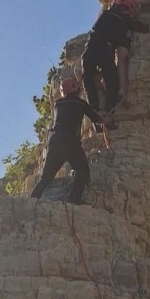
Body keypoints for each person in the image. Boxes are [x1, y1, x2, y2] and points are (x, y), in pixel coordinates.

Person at [30, 77, 105, 205]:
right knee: (82, 171)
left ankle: (31, 201)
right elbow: (96, 118)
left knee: (46, 177)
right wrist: (104, 123)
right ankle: (74, 198)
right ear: (76, 89)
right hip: (70, 142)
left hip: (55, 141)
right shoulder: (80, 103)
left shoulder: (58, 104)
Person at [81, 0, 148, 114]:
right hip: (105, 48)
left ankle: (95, 109)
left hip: (90, 46)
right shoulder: (125, 20)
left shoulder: (105, 14)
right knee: (111, 79)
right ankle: (109, 110)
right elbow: (145, 26)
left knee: (88, 78)